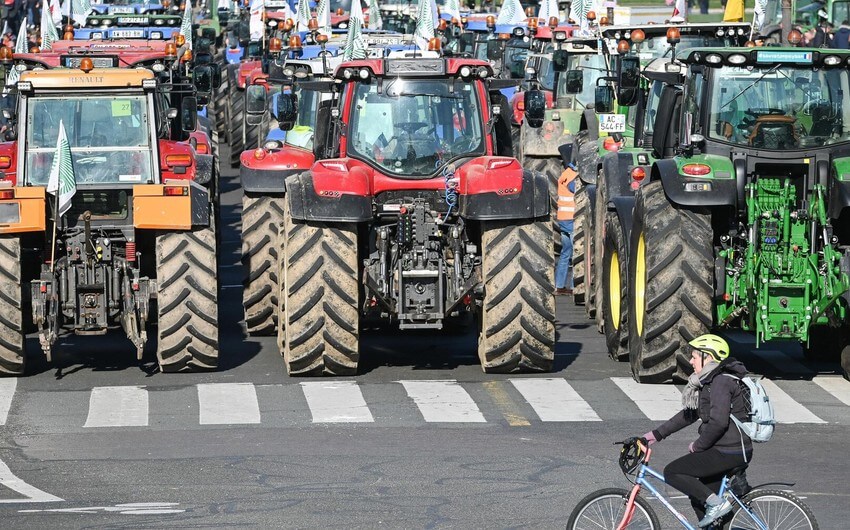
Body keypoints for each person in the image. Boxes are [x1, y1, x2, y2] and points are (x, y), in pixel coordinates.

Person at [640, 334, 752, 528]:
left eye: (694, 356)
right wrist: (654, 436)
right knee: (699, 497)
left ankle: (717, 505)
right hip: (726, 448)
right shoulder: (709, 381)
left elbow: (717, 423)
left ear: (708, 357)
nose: (691, 361)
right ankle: (716, 510)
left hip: (729, 450)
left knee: (673, 472)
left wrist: (698, 446)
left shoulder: (720, 382)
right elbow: (690, 415)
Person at [555, 164, 576, 295]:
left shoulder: (565, 174)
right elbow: (575, 189)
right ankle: (575, 286)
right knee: (577, 253)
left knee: (566, 252)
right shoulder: (573, 177)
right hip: (571, 219)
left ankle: (560, 285)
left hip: (563, 218)